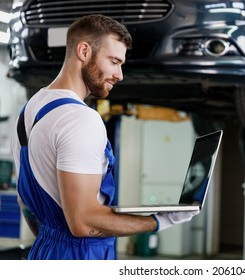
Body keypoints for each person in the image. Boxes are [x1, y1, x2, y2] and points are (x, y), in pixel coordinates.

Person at [12, 14, 199, 260]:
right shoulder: (81, 119)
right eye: (114, 61)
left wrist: (52, 239)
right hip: (81, 255)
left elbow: (25, 203)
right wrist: (158, 222)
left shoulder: (30, 109)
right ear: (84, 51)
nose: (119, 74)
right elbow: (83, 222)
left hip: (44, 249)